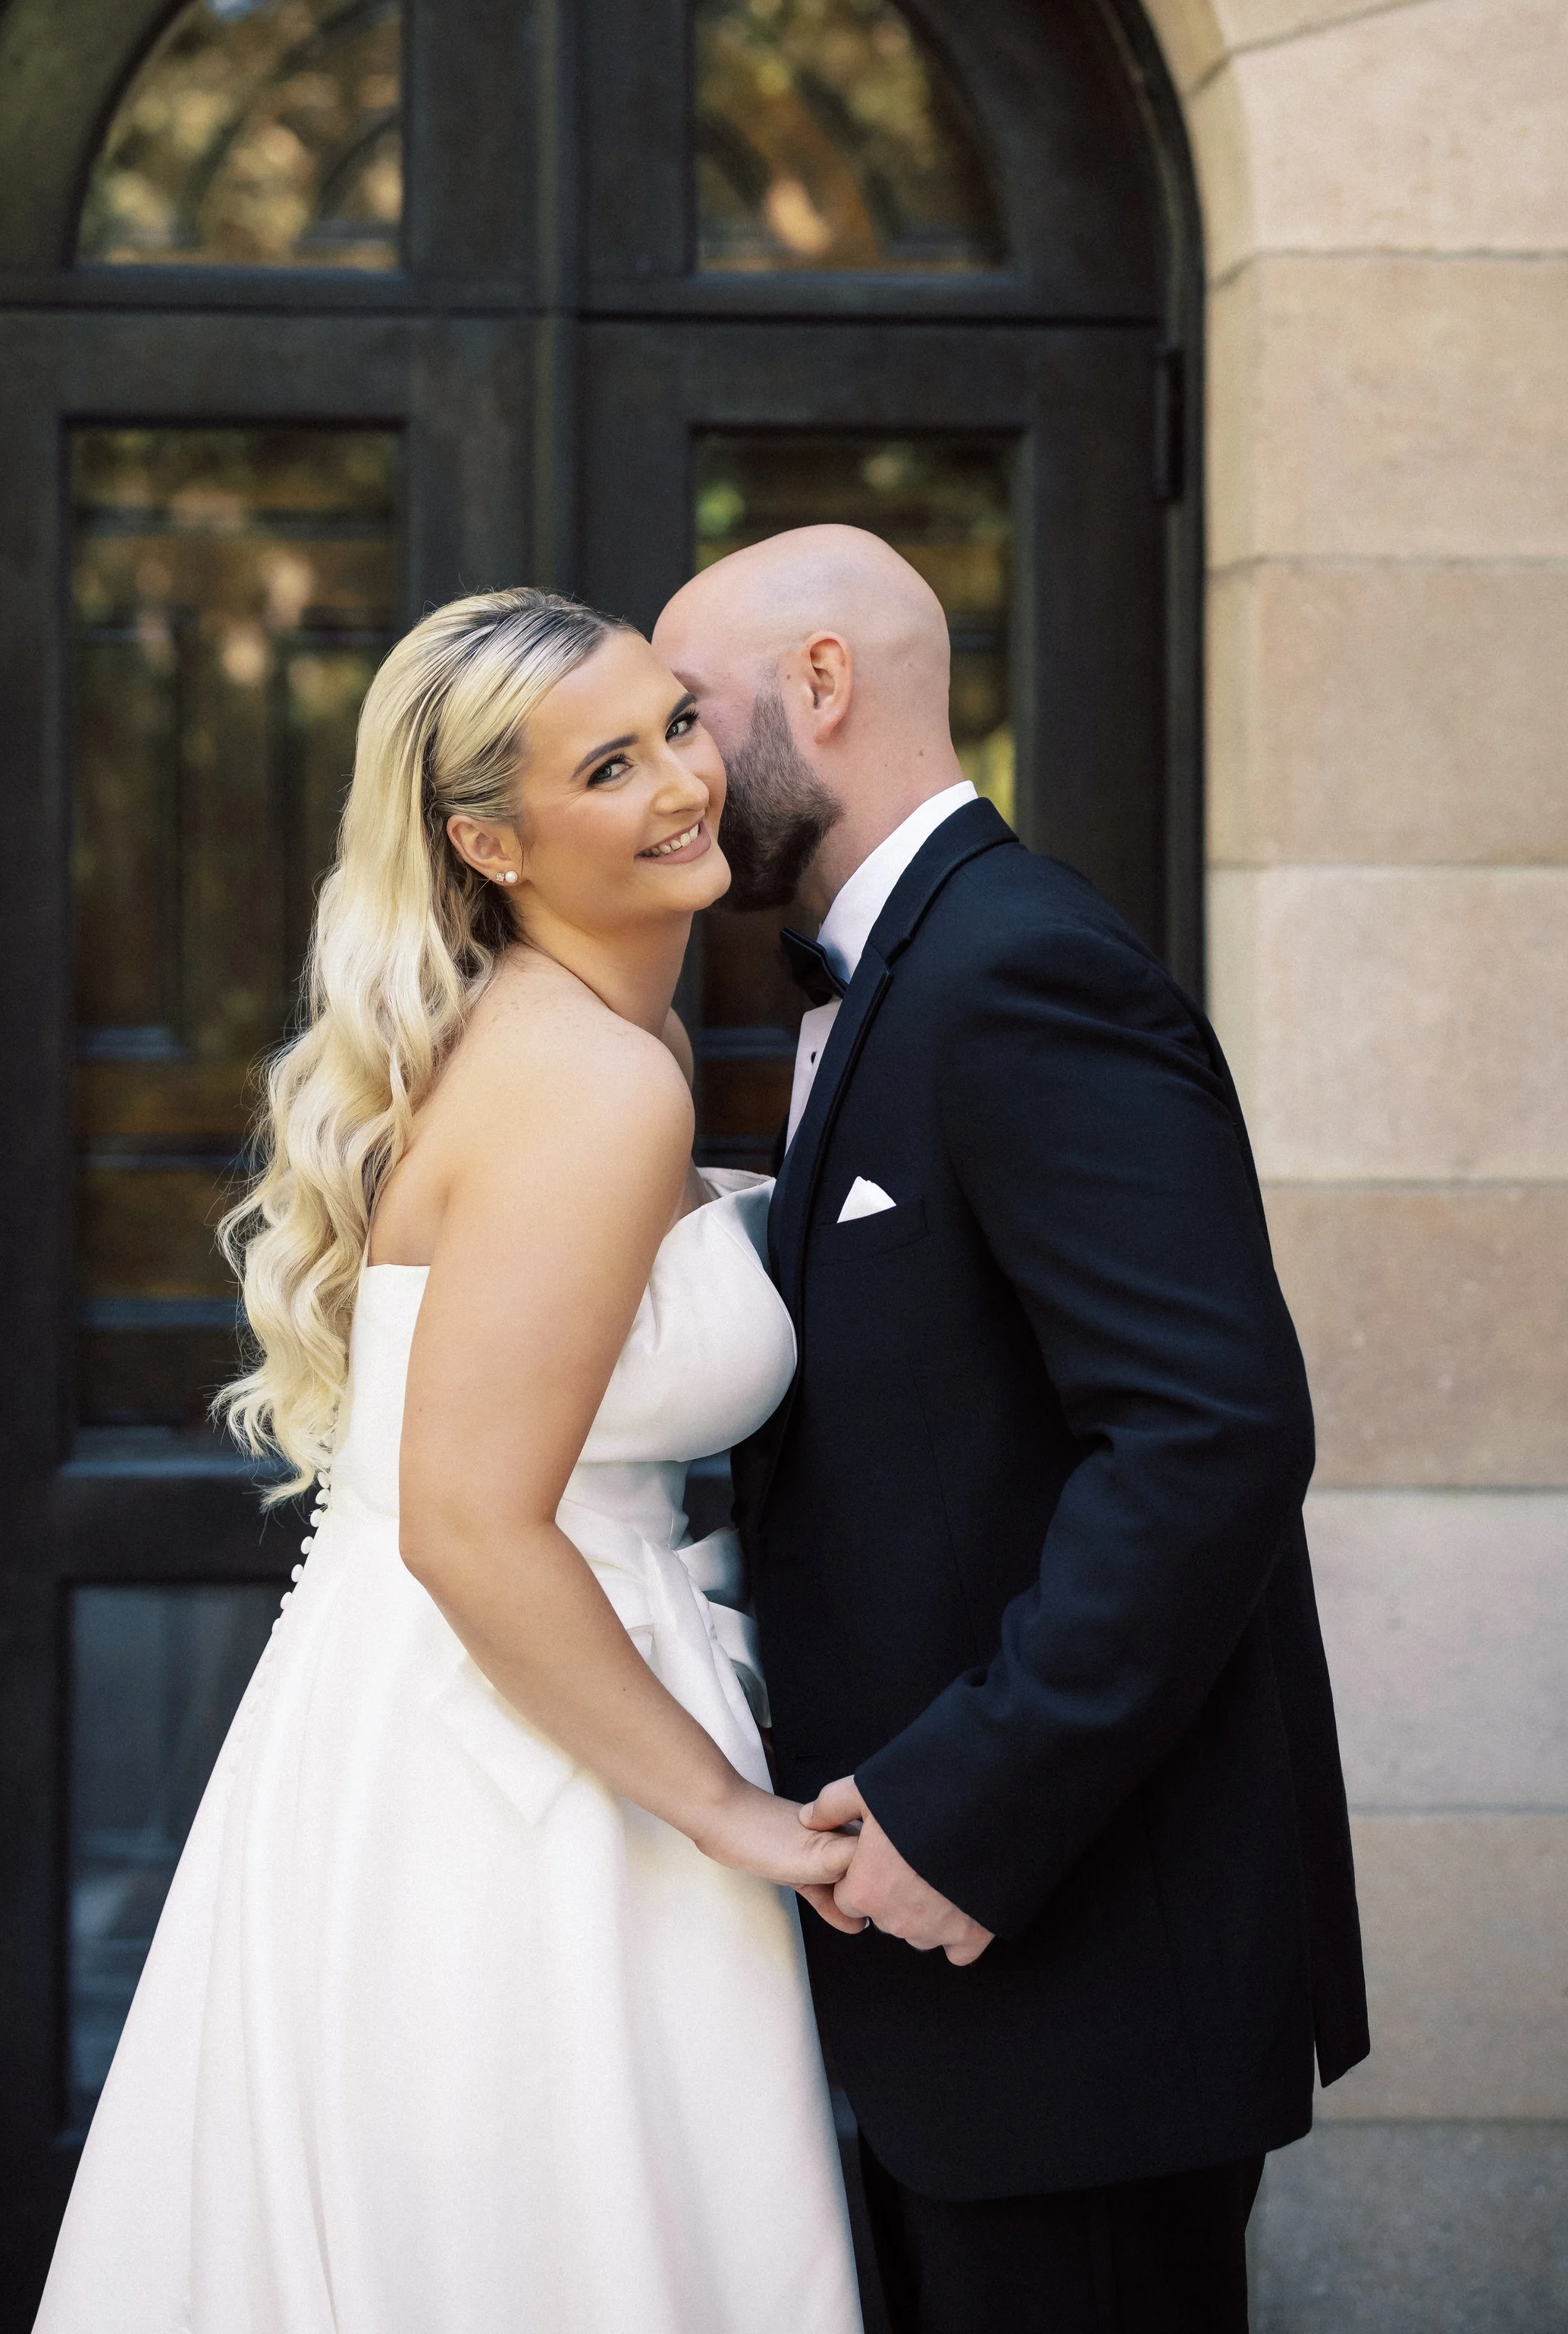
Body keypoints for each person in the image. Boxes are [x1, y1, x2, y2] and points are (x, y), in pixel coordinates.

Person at [32, 588, 864, 2334]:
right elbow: (471, 1522)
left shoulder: (542, 1036)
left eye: (678, 728)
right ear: (488, 836)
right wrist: (729, 1813)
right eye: (609, 763)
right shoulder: (592, 1078)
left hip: (425, 1705)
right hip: (522, 1752)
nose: (681, 783)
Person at [654, 526, 1369, 2334]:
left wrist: (962, 1811)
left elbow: (1205, 1434)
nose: (668, 770)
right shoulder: (895, 972)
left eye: (687, 714)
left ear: (818, 687)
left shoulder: (1019, 967)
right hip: (945, 1984)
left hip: (1067, 1951)